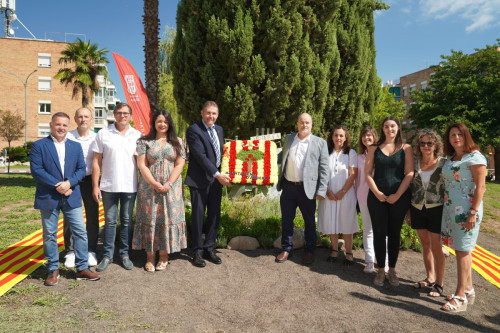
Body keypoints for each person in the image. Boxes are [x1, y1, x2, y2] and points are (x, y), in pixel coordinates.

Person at [30, 112, 100, 286]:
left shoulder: (75, 146)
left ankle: (82, 268)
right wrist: (58, 185)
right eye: (58, 124)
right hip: (49, 196)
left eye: (64, 125)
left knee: (80, 232)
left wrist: (68, 184)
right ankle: (53, 269)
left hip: (71, 195)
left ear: (69, 127)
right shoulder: (39, 145)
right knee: (49, 235)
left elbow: (81, 169)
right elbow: (37, 171)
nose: (61, 128)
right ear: (51, 125)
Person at [132, 110, 187, 272]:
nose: (162, 124)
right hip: (149, 187)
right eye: (159, 121)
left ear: (169, 124)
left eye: (165, 121)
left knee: (167, 218)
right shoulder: (144, 142)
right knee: (151, 218)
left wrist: (169, 183)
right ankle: (150, 256)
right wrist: (155, 183)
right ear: (154, 123)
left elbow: (179, 164)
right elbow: (142, 165)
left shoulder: (177, 142)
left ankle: (164, 256)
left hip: (172, 188)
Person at [440, 123, 486, 312]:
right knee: (461, 250)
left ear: (466, 136)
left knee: (463, 250)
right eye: (452, 135)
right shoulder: (451, 158)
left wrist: (473, 212)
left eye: (459, 134)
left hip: (467, 212)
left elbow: (481, 187)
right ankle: (469, 289)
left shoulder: (475, 157)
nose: (456, 138)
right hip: (451, 210)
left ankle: (460, 297)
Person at [92, 103, 142, 271]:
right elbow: (96, 161)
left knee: (127, 222)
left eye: (126, 113)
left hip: (130, 186)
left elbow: (141, 164)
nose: (122, 116)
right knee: (110, 222)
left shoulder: (137, 135)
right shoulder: (104, 134)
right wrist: (95, 185)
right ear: (114, 114)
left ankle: (124, 254)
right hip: (108, 186)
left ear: (130, 116)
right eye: (119, 113)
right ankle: (107, 256)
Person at [365, 116, 414, 286]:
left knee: (394, 234)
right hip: (377, 197)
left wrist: (397, 195)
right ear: (383, 129)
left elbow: (409, 173)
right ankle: (380, 270)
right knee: (379, 234)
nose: (389, 129)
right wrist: (377, 193)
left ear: (398, 128)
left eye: (392, 126)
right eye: (386, 126)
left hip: (399, 198)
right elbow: (367, 173)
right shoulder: (373, 148)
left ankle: (392, 270)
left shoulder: (406, 148)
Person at [276, 113, 329, 265]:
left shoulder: (319, 143)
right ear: (297, 124)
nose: (304, 125)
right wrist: (265, 154)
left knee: (309, 221)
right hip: (288, 187)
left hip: (308, 189)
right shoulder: (288, 139)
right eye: (302, 122)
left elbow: (325, 169)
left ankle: (310, 250)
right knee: (286, 220)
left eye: (307, 123)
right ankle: (286, 248)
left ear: (311, 125)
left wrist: (321, 190)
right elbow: (281, 157)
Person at [185, 101, 231, 268]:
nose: (211, 116)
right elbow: (200, 156)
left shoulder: (219, 130)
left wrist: (229, 171)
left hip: (216, 181)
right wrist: (218, 175)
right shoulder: (193, 130)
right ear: (202, 113)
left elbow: (221, 153)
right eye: (208, 113)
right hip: (199, 180)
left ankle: (209, 248)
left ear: (217, 115)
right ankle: (197, 251)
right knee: (198, 216)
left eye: (214, 113)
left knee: (214, 215)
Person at [406, 129, 446, 297]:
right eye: (422, 143)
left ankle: (439, 284)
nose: (426, 146)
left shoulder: (444, 163)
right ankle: (429, 278)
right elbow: (409, 187)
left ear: (436, 145)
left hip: (436, 208)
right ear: (418, 145)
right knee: (425, 244)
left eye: (429, 143)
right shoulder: (414, 162)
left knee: (437, 247)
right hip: (416, 207)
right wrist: (408, 211)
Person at [63, 107, 99, 268]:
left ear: (91, 119)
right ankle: (70, 252)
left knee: (92, 216)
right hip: (72, 181)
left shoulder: (97, 137)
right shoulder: (67, 136)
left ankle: (90, 250)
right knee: (70, 216)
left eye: (86, 117)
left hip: (91, 180)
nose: (83, 119)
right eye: (80, 117)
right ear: (75, 119)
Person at [318, 125, 358, 266]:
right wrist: (327, 191)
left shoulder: (351, 153)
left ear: (346, 137)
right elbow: (320, 172)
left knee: (346, 222)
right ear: (332, 137)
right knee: (331, 221)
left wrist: (342, 192)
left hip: (346, 194)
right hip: (329, 193)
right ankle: (334, 250)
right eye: (336, 135)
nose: (338, 138)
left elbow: (353, 174)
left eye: (341, 135)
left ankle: (349, 253)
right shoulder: (325, 152)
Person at [356, 126, 379, 273]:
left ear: (375, 137)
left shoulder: (382, 154)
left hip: (380, 197)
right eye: (364, 136)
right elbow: (358, 179)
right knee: (368, 229)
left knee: (383, 231)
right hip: (363, 196)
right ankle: (370, 261)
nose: (367, 139)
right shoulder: (359, 157)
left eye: (369, 136)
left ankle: (385, 262)